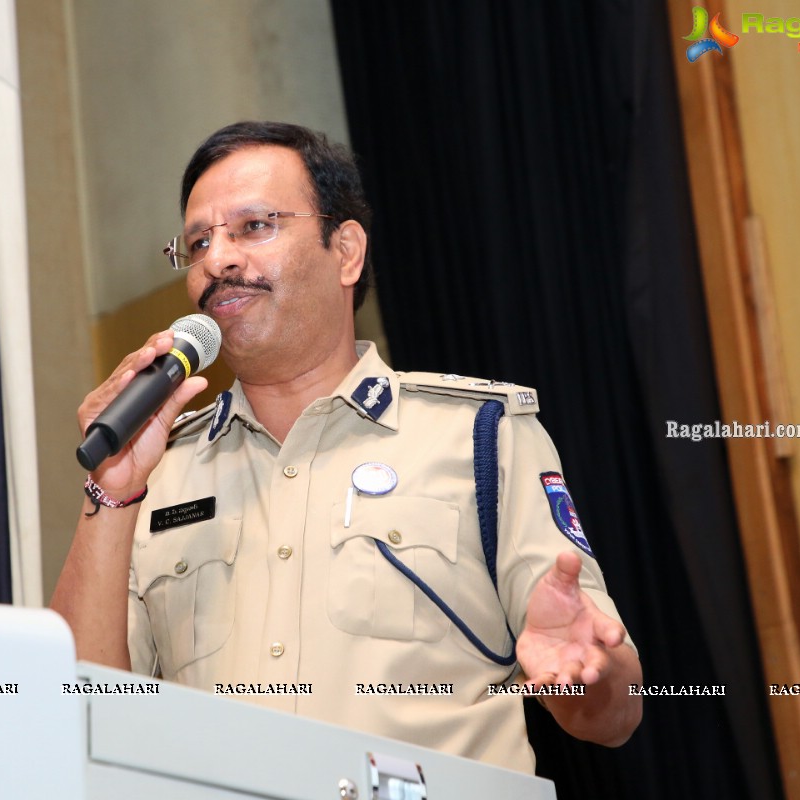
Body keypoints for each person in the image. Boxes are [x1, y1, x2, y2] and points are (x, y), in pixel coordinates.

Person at [51, 121, 642, 773]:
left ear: (347, 251)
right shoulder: (154, 471)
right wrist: (110, 488)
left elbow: (614, 717)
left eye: (253, 226)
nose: (217, 260)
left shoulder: (480, 435)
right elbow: (80, 717)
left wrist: (585, 677)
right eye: (197, 242)